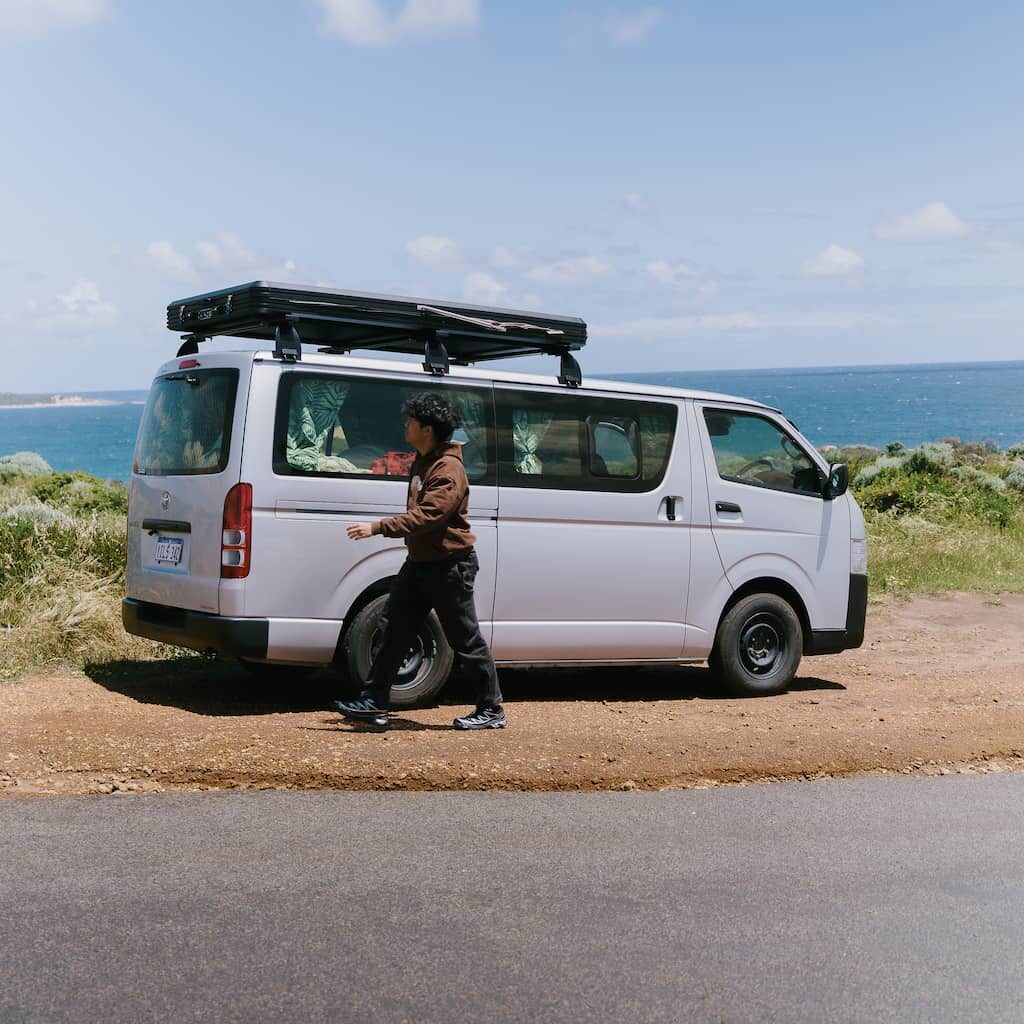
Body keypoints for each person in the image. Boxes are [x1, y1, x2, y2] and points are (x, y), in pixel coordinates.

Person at [332, 392, 506, 731]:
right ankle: (374, 702)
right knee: (393, 630)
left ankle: (491, 708)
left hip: (450, 565)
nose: (406, 426)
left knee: (465, 639)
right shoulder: (423, 459)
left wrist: (378, 528)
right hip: (421, 562)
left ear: (426, 429)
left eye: (411, 422)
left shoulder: (448, 469)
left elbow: (428, 516)